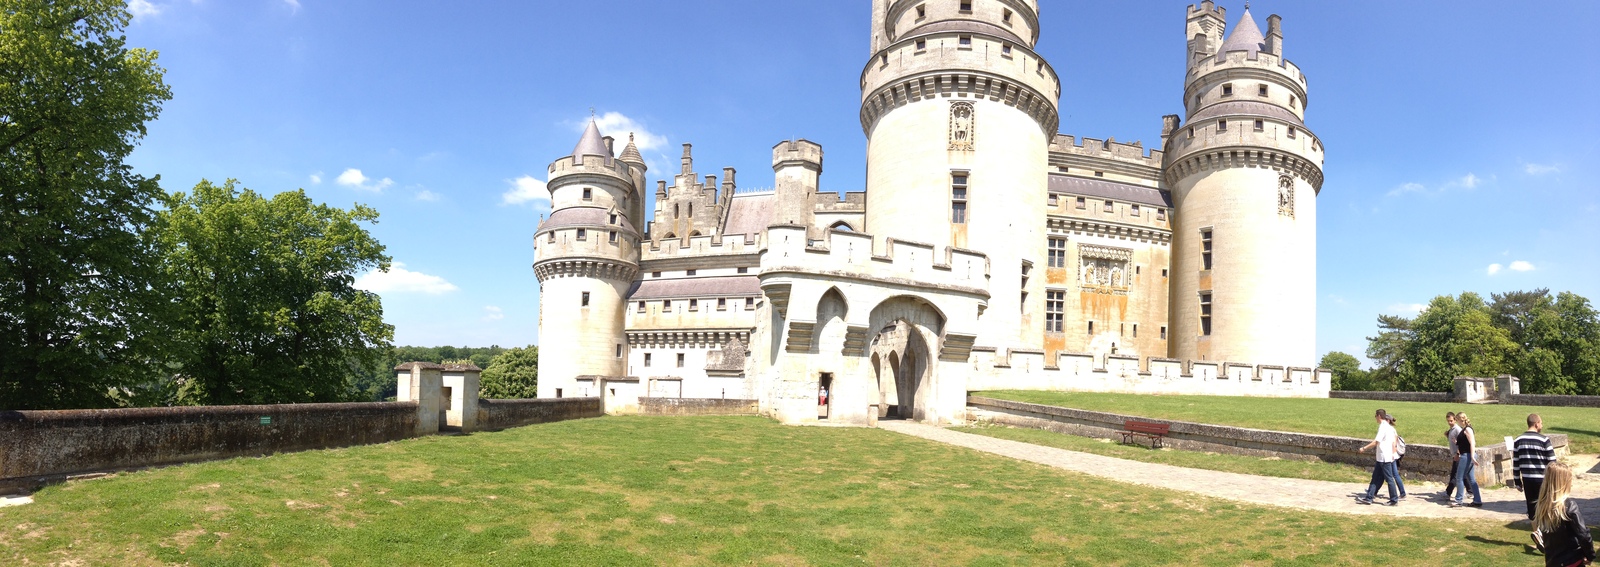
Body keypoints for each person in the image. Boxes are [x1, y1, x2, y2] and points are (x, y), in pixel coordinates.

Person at [1533, 461, 1594, 567]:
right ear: (1564, 483)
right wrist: (1590, 555)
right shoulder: (1569, 505)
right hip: (1572, 560)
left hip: (1553, 561)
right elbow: (1583, 534)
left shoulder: (1542, 506)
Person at [1516, 413, 1559, 550]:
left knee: (1532, 507)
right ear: (1536, 424)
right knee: (1547, 505)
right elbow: (1552, 462)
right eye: (1541, 423)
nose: (1542, 425)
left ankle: (1537, 533)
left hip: (1527, 478)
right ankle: (1546, 536)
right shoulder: (1544, 440)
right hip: (1543, 479)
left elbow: (1516, 462)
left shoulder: (1518, 440)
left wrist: (1517, 480)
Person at [1357, 408, 1401, 506]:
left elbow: (1376, 442)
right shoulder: (1389, 427)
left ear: (1379, 416)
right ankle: (1369, 497)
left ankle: (1394, 499)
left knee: (1389, 479)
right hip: (1384, 457)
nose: (1375, 418)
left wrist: (1364, 448)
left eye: (1376, 416)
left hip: (1384, 458)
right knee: (1376, 478)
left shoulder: (1383, 427)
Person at [1450, 411, 1484, 508]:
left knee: (1459, 478)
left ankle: (1458, 500)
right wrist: (1456, 442)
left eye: (1456, 419)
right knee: (1471, 479)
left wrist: (1472, 456)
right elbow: (1465, 443)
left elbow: (1472, 443)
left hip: (1467, 456)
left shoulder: (1468, 429)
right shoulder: (1465, 429)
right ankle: (1477, 500)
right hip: (1467, 455)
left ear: (1460, 419)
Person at [1386, 413, 1408, 500]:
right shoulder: (1392, 429)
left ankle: (1402, 493)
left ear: (1387, 420)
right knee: (1394, 474)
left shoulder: (1390, 430)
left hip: (1390, 455)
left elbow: (1394, 442)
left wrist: (1393, 453)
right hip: (1391, 454)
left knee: (1394, 475)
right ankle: (1402, 492)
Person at [1444, 412, 1461, 502]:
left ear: (1455, 420)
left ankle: (1448, 492)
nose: (1450, 422)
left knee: (1454, 475)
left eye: (1451, 421)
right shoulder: (1451, 429)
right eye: (1448, 421)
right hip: (1455, 454)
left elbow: (1460, 444)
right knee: (1463, 475)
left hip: (1458, 455)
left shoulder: (1457, 429)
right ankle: (1470, 491)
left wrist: (1458, 454)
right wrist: (1447, 435)